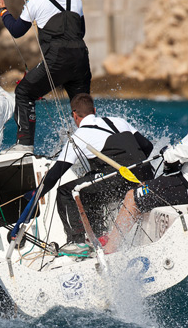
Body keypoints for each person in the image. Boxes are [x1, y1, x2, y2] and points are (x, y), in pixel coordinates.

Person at [104, 86, 188, 254]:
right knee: (149, 186)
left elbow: (172, 157)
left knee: (133, 196)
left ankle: (109, 250)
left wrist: (166, 151)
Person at [13, 94, 153, 252]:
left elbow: (55, 173)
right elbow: (147, 146)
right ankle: (100, 235)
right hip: (146, 175)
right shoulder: (118, 121)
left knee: (66, 191)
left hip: (121, 179)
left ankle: (76, 242)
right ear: (94, 110)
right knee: (88, 185)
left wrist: (37, 193)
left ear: (74, 115)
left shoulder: (80, 135)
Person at [0, 0, 92, 153]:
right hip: (81, 59)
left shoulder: (36, 1)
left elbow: (17, 30)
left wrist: (2, 10)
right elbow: (81, 31)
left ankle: (25, 145)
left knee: (23, 92)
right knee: (81, 105)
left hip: (57, 60)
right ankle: (89, 144)